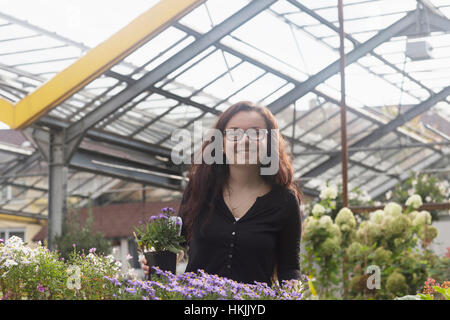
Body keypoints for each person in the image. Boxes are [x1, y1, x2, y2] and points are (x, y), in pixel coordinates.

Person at [141, 101, 303, 287]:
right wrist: (156, 260)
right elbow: (176, 244)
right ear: (221, 143)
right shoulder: (199, 190)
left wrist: (292, 291)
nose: (245, 141)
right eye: (234, 133)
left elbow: (289, 267)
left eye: (256, 133)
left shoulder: (285, 201)